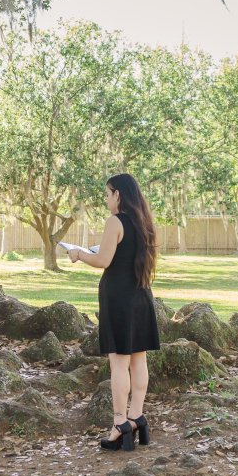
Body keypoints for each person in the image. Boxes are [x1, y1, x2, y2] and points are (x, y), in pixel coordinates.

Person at [69, 173, 160, 451]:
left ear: (118, 194)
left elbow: (103, 260)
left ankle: (120, 423)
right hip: (141, 296)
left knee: (119, 363)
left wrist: (78, 254)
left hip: (118, 300)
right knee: (138, 360)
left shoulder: (115, 221)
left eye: (108, 194)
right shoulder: (144, 223)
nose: (106, 200)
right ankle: (137, 417)